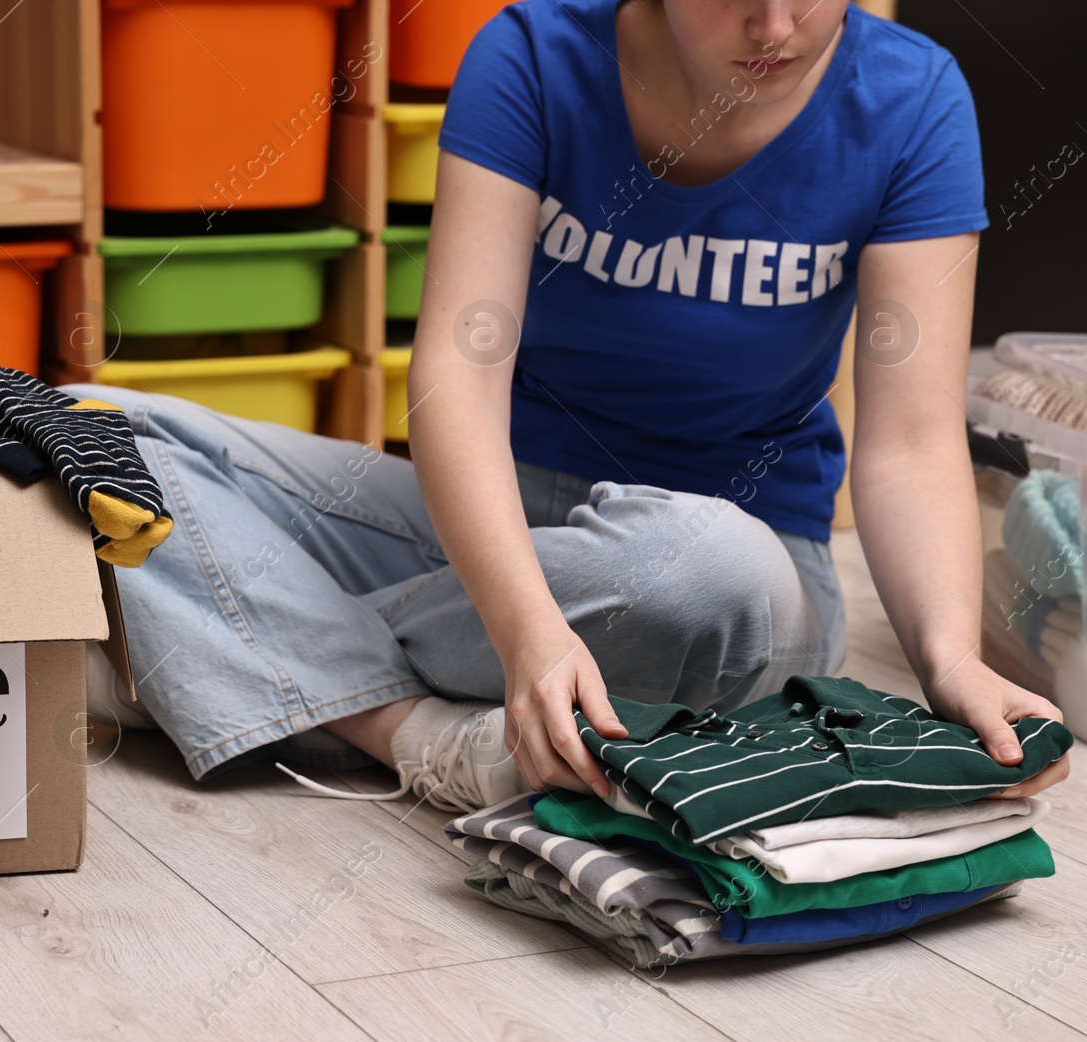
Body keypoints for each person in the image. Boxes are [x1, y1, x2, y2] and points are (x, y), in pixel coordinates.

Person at [74, 0, 1071, 811]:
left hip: (732, 569)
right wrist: (524, 630)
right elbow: (457, 379)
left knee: (699, 567)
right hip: (504, 524)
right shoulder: (530, 54)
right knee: (90, 429)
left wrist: (948, 661)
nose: (775, 27)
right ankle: (401, 730)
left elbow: (908, 443)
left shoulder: (913, 98)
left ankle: (207, 637)